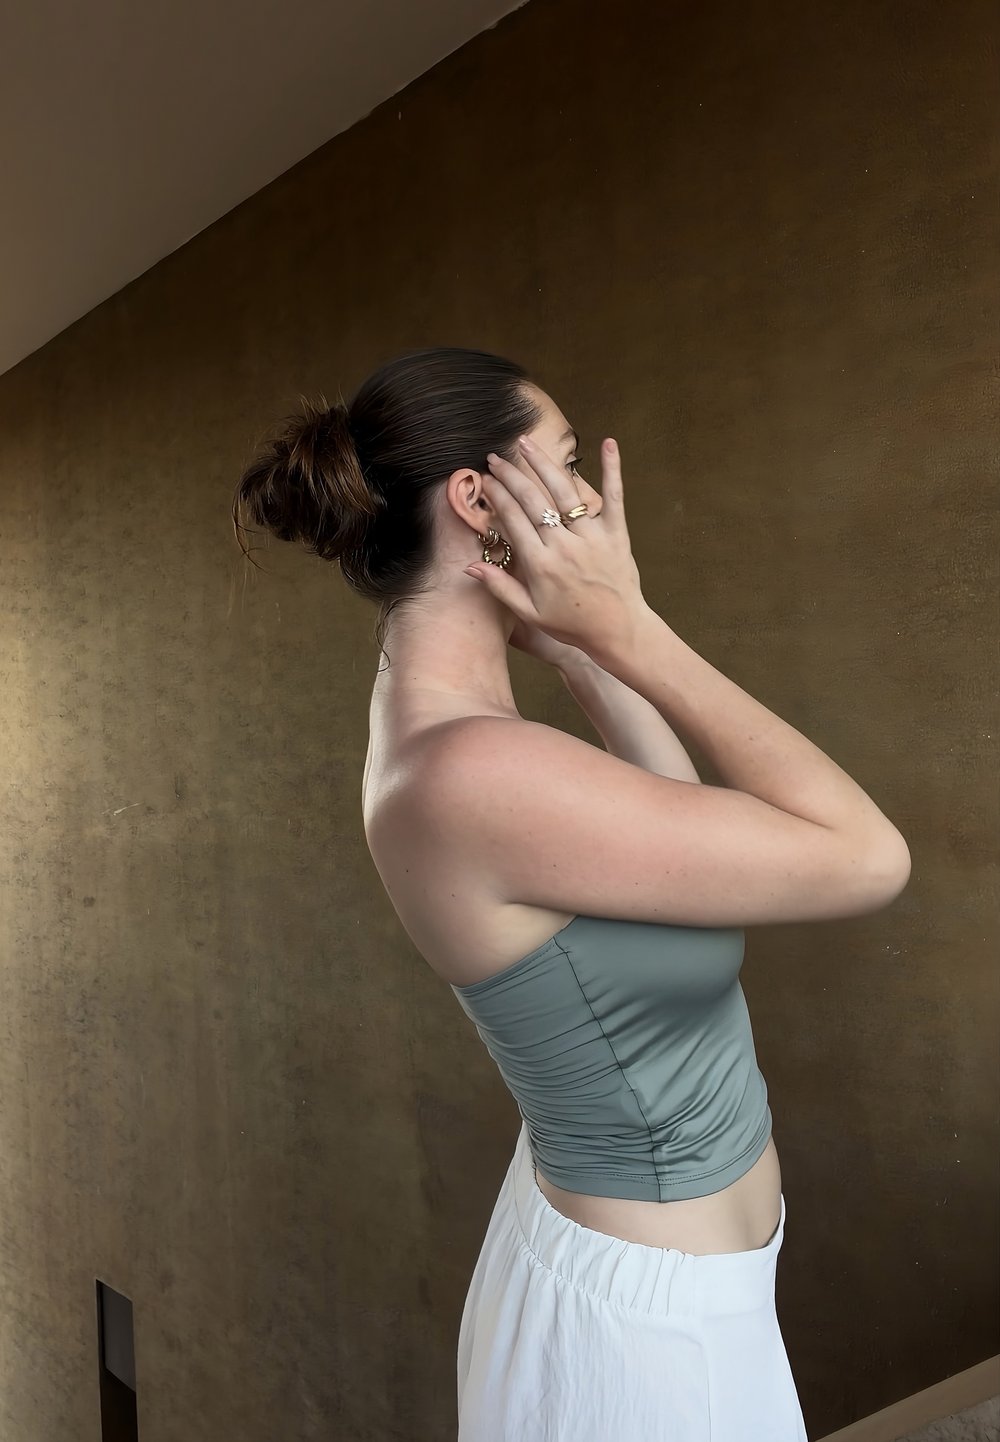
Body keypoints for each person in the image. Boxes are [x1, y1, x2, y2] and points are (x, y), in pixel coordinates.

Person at [233, 345, 910, 1441]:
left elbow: (679, 837)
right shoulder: (470, 770)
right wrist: (631, 624)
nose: (588, 501)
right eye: (564, 464)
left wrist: (590, 652)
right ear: (478, 497)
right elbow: (866, 857)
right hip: (640, 1345)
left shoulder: (451, 730)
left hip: (662, 1288)